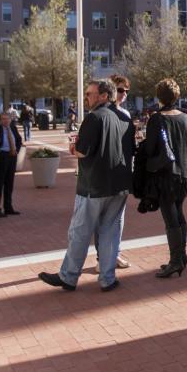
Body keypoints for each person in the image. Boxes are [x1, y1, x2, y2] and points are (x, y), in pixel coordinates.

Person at [39, 78, 131, 292]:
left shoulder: (94, 118)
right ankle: (107, 278)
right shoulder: (122, 117)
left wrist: (73, 146)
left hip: (93, 186)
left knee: (80, 232)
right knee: (110, 232)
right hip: (118, 185)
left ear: (104, 96)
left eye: (90, 94)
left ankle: (69, 276)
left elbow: (81, 151)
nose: (86, 97)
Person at [145, 78, 187, 278]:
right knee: (178, 213)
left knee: (170, 218)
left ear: (159, 96)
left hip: (166, 175)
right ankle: (181, 256)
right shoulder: (185, 118)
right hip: (185, 174)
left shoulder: (157, 119)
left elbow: (150, 149)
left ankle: (176, 261)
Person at [108, 75, 137, 271]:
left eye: (126, 91)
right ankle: (103, 258)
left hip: (124, 171)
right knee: (102, 219)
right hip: (106, 174)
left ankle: (114, 254)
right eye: (120, 90)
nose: (123, 94)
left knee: (118, 218)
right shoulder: (101, 113)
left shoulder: (126, 114)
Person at [0, 112, 24, 218]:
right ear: (0, 120)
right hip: (2, 157)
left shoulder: (13, 128)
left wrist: (16, 150)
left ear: (10, 119)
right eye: (3, 119)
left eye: (7, 119)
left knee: (9, 183)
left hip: (12, 156)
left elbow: (18, 139)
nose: (6, 121)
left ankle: (8, 207)